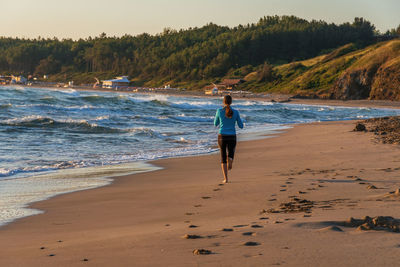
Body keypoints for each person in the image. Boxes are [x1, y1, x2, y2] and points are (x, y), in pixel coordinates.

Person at [214, 95, 244, 183]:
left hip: (222, 136)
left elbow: (215, 124)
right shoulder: (236, 112)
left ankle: (226, 179)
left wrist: (220, 119)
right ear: (231, 102)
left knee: (223, 156)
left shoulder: (219, 111)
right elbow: (241, 126)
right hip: (232, 136)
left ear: (223, 102)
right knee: (231, 152)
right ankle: (230, 159)